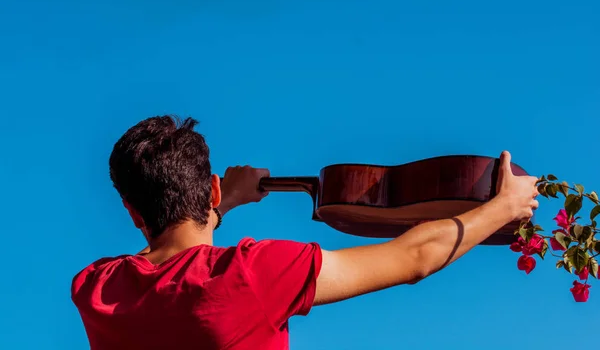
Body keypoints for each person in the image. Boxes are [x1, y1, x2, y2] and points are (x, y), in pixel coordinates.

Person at [71, 115, 539, 350]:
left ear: (132, 211)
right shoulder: (250, 274)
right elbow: (415, 257)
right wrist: (504, 206)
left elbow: (164, 257)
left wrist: (221, 204)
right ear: (211, 188)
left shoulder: (96, 288)